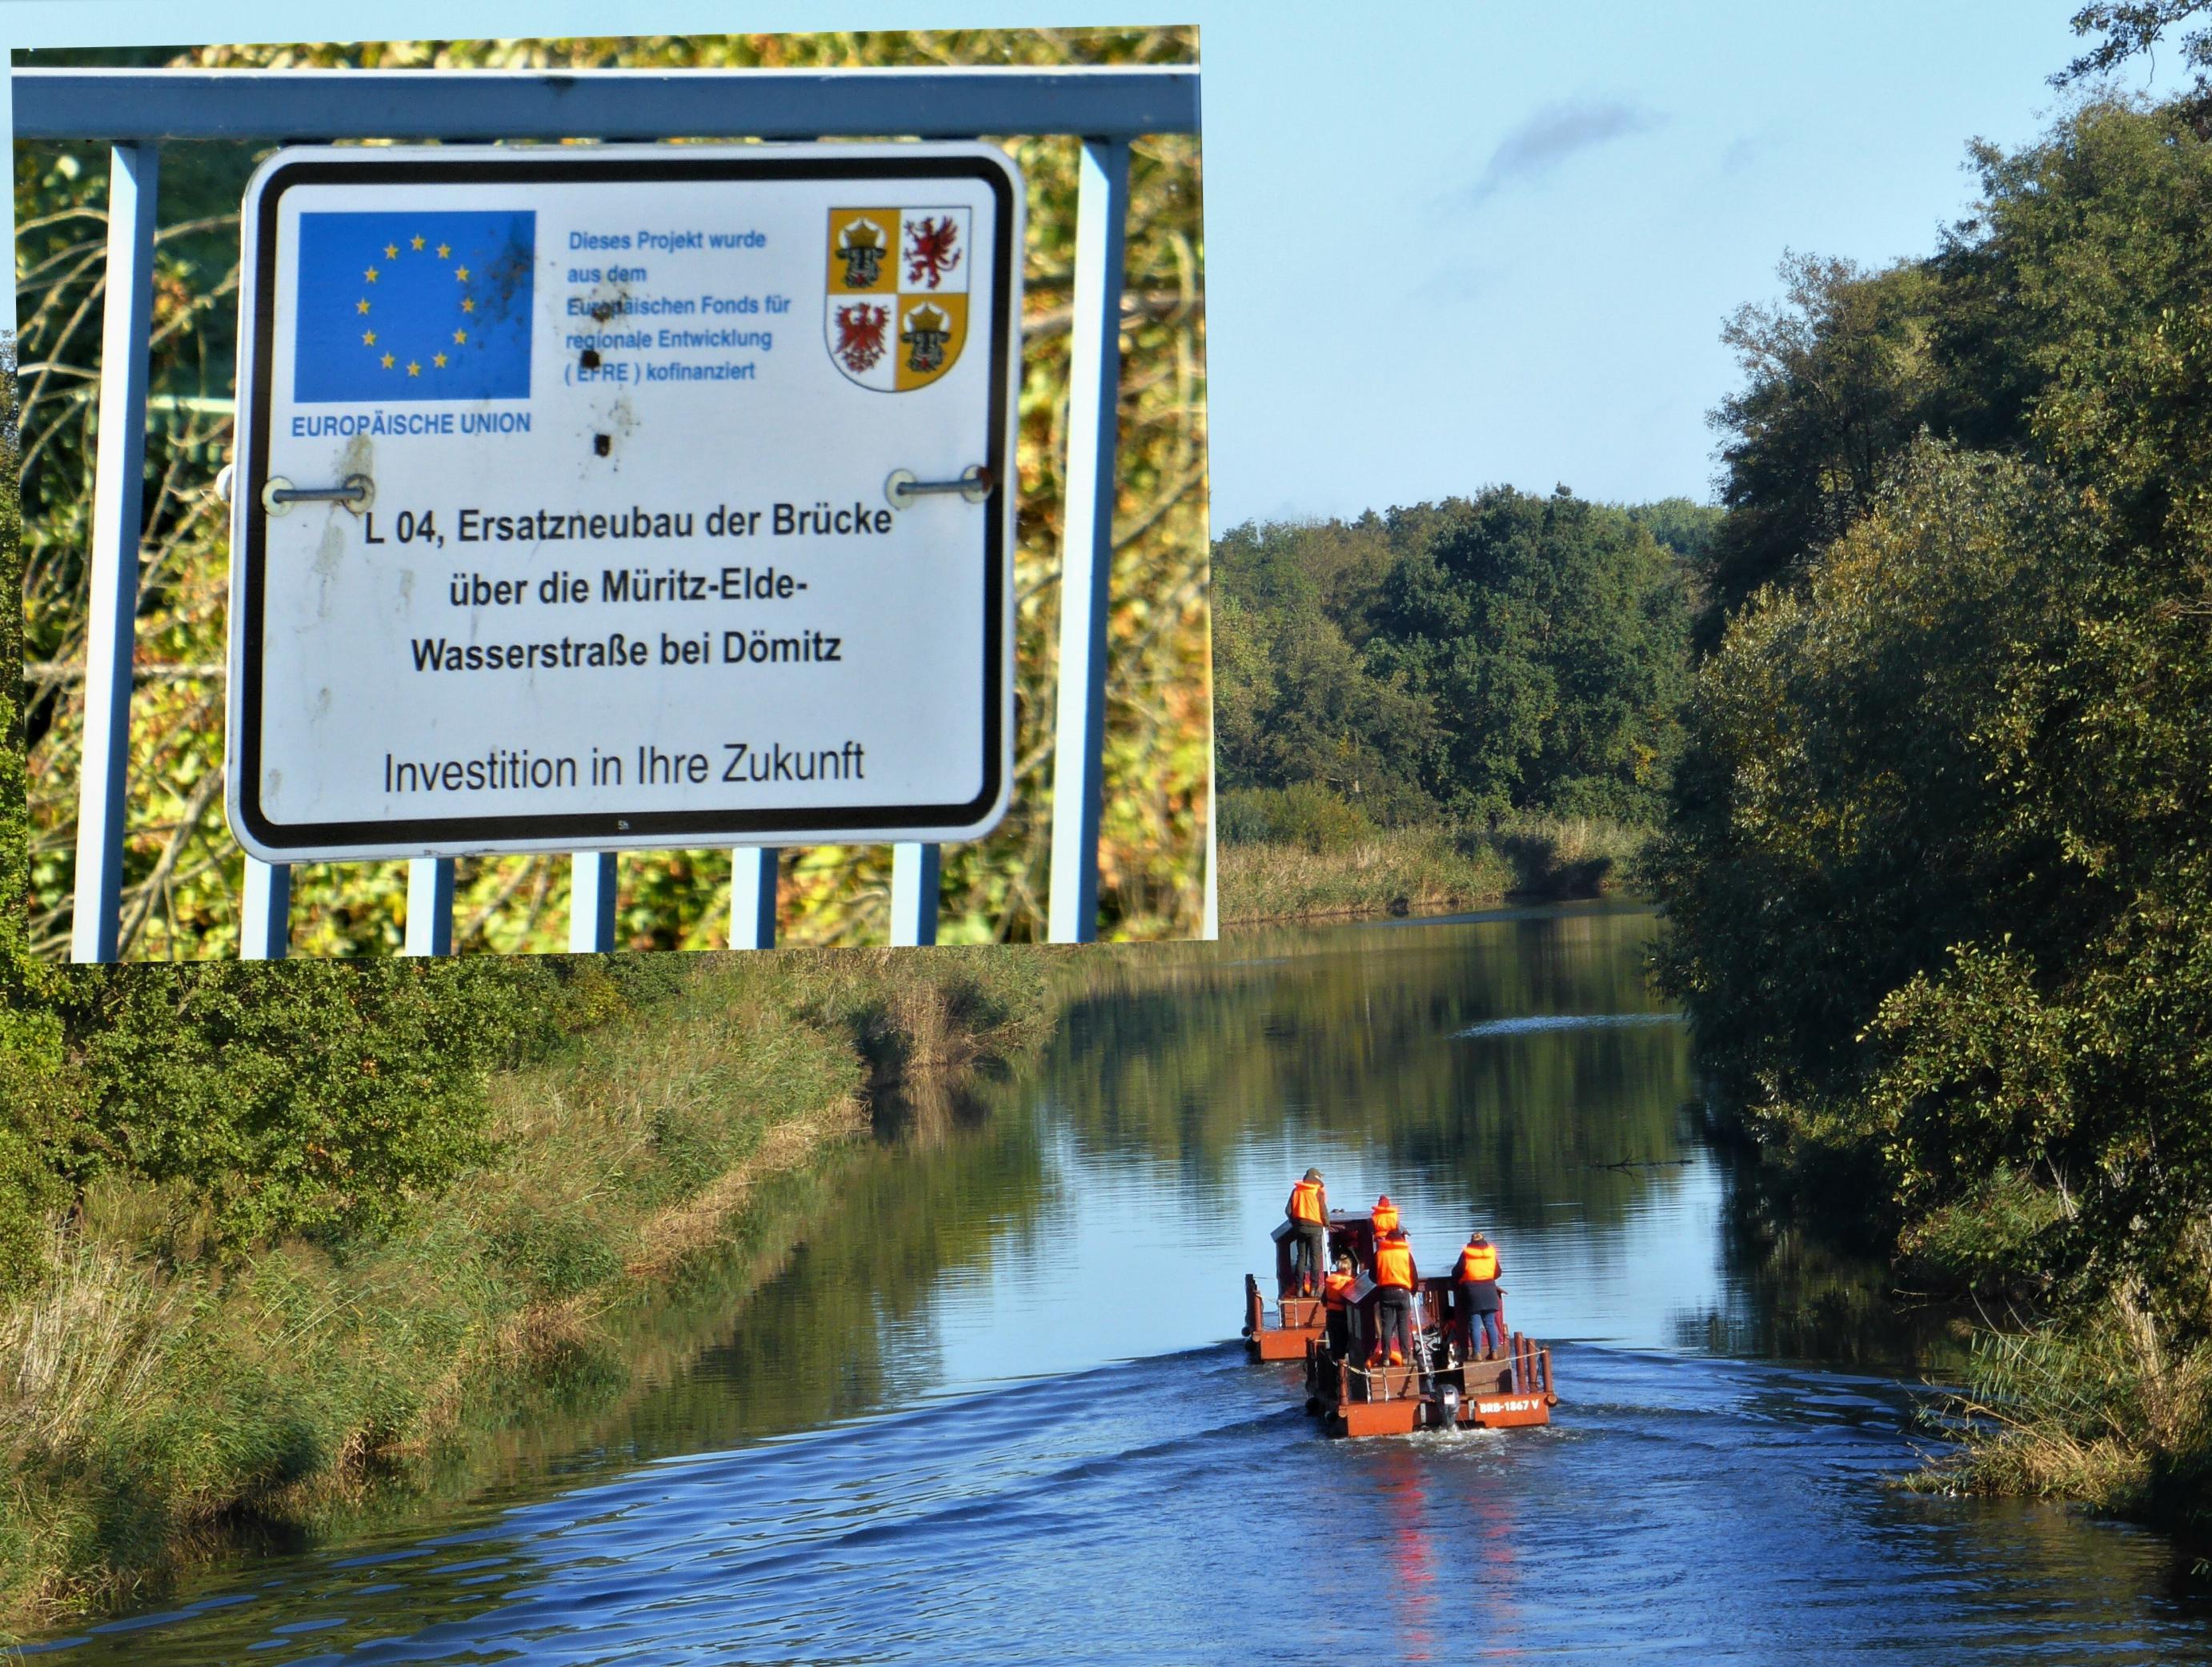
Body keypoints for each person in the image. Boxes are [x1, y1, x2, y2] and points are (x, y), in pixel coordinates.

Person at [1371, 1226, 1418, 1368]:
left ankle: (1385, 1357)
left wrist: (1381, 1283)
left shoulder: (1379, 1254)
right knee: (1403, 1325)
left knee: (1387, 1326)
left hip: (1385, 1292)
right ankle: (1405, 1357)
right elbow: (1413, 1275)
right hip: (1403, 1292)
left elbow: (1371, 1275)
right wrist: (1414, 1290)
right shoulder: (1406, 1254)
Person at [1455, 1229, 1505, 1360]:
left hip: (1472, 1291)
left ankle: (1477, 1353)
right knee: (1490, 1323)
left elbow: (1457, 1272)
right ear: (1484, 1240)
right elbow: (1498, 1272)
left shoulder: (1467, 1254)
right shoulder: (1490, 1254)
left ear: (1471, 1242)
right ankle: (1494, 1351)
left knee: (1475, 1323)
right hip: (1489, 1290)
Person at [1284, 1168, 1328, 1295]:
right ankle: (1314, 1288)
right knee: (1315, 1258)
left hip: (1300, 1228)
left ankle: (1299, 1288)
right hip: (1316, 1228)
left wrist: (1295, 1222)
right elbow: (1323, 1212)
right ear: (1315, 1178)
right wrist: (1327, 1223)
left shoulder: (1296, 1191)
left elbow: (1288, 1211)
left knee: (1301, 1258)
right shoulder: (1317, 1193)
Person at [1321, 1252, 1358, 1359]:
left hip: (1331, 1316)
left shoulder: (1330, 1280)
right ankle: (1342, 1372)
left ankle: (1337, 1369)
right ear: (1349, 1268)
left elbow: (1324, 1301)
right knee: (1343, 1346)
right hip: (1343, 1317)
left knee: (1335, 1346)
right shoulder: (1350, 1282)